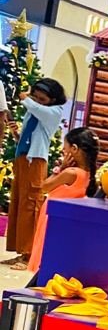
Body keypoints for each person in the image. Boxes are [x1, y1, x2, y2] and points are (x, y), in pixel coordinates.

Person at [3, 78, 67, 264]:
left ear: (53, 100)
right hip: (23, 158)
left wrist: (26, 98)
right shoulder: (35, 110)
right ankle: (20, 251)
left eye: (42, 99)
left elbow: (36, 108)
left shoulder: (54, 112)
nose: (38, 101)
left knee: (31, 204)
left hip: (36, 161)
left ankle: (30, 254)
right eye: (35, 97)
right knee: (18, 203)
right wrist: (16, 134)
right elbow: (30, 137)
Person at [24, 126, 98, 276]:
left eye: (65, 148)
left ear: (74, 149)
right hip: (63, 218)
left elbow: (44, 187)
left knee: (44, 251)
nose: (63, 151)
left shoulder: (70, 172)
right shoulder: (87, 173)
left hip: (52, 217)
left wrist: (60, 168)